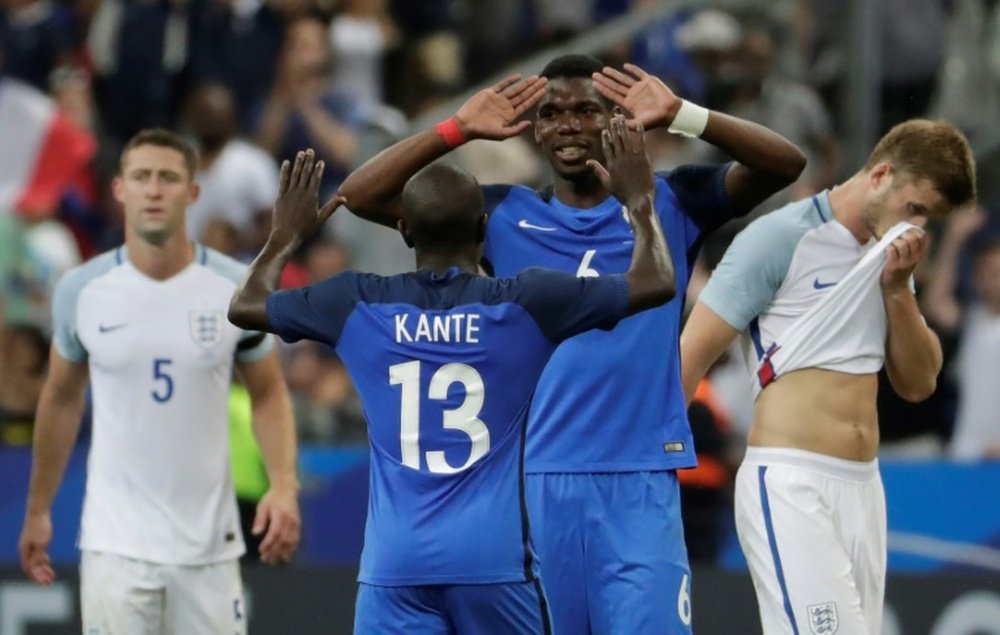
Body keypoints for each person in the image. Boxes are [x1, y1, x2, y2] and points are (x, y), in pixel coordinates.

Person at [335, 54, 806, 632]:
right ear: (535, 129)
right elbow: (359, 196)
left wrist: (684, 114)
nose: (567, 125)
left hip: (639, 485)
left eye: (587, 110)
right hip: (531, 487)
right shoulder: (503, 215)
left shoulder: (670, 202)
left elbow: (786, 162)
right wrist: (456, 128)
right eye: (551, 112)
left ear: (618, 119)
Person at [229, 119, 676, 634]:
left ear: (404, 230)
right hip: (494, 563)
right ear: (484, 229)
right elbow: (656, 281)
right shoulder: (529, 301)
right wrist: (639, 200)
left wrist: (284, 236)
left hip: (395, 567)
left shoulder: (357, 301)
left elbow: (246, 306)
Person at [680, 119, 977, 634]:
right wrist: (647, 470)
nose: (918, 229)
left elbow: (918, 382)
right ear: (881, 173)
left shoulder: (892, 260)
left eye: (931, 220)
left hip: (863, 488)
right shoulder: (780, 238)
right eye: (916, 209)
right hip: (791, 480)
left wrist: (898, 290)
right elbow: (690, 355)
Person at [18, 129, 302, 634]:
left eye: (169, 178)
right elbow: (60, 399)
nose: (154, 190)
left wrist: (283, 485)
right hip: (116, 548)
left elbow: (269, 394)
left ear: (192, 193)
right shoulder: (82, 289)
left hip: (210, 551)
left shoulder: (235, 287)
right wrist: (39, 508)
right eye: (141, 177)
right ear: (119, 189)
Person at [921, 207, 1000, 460]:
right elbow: (934, 304)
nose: (994, 281)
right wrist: (954, 239)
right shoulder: (972, 322)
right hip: (967, 451)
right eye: (987, 274)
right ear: (976, 279)